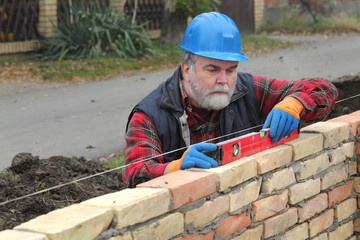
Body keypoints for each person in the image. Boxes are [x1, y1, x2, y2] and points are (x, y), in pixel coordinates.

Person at [122, 12, 338, 188]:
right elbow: (135, 173)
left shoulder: (246, 90)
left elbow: (324, 89)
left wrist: (294, 103)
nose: (224, 81)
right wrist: (174, 168)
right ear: (187, 70)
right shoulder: (150, 114)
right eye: (213, 69)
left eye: (231, 70)